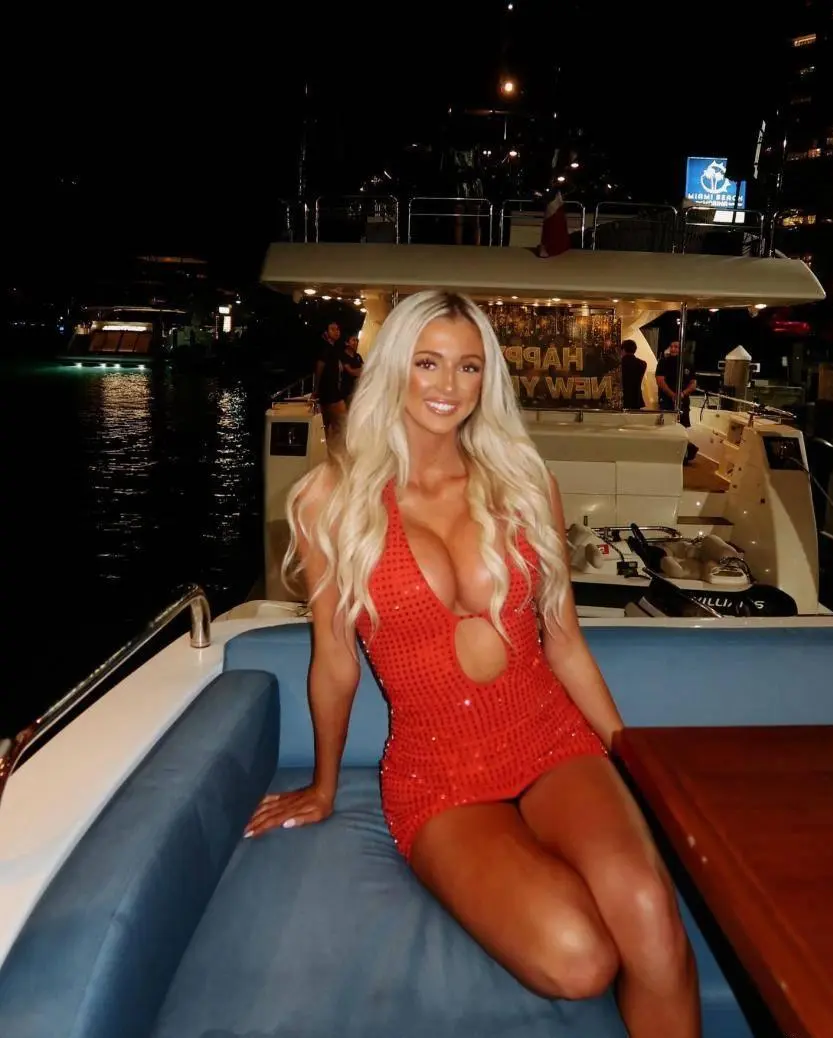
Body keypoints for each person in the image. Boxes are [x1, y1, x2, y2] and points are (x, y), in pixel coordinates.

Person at [246, 291, 699, 1037]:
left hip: (550, 740)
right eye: (427, 363)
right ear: (394, 367)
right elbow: (334, 660)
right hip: (440, 773)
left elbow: (564, 642)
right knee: (581, 959)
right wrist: (324, 786)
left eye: (469, 366)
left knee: (654, 924)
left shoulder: (524, 483)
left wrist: (630, 754)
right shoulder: (331, 500)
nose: (448, 386)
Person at [312, 320, 345, 434]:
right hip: (329, 392)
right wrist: (316, 389)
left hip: (332, 391)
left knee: (327, 424)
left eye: (338, 329)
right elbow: (319, 367)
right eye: (333, 329)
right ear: (326, 333)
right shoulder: (325, 348)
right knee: (341, 424)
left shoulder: (333, 348)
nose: (336, 332)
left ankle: (327, 443)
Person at [655, 340, 697, 428]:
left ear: (683, 349)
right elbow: (660, 381)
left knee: (684, 427)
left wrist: (682, 394)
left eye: (676, 347)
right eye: (671, 346)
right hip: (666, 400)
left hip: (683, 401)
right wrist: (673, 395)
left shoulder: (688, 364)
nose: (673, 349)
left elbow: (693, 384)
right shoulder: (663, 362)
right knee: (666, 427)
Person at [620, 339, 647, 410]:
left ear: (623, 350)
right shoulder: (643, 363)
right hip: (636, 398)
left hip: (623, 399)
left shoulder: (619, 364)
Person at [340, 333, 364, 408]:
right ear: (346, 343)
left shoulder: (358, 356)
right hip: (347, 391)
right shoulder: (343, 356)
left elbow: (365, 369)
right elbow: (351, 372)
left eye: (357, 340)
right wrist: (361, 370)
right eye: (353, 340)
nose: (356, 342)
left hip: (357, 390)